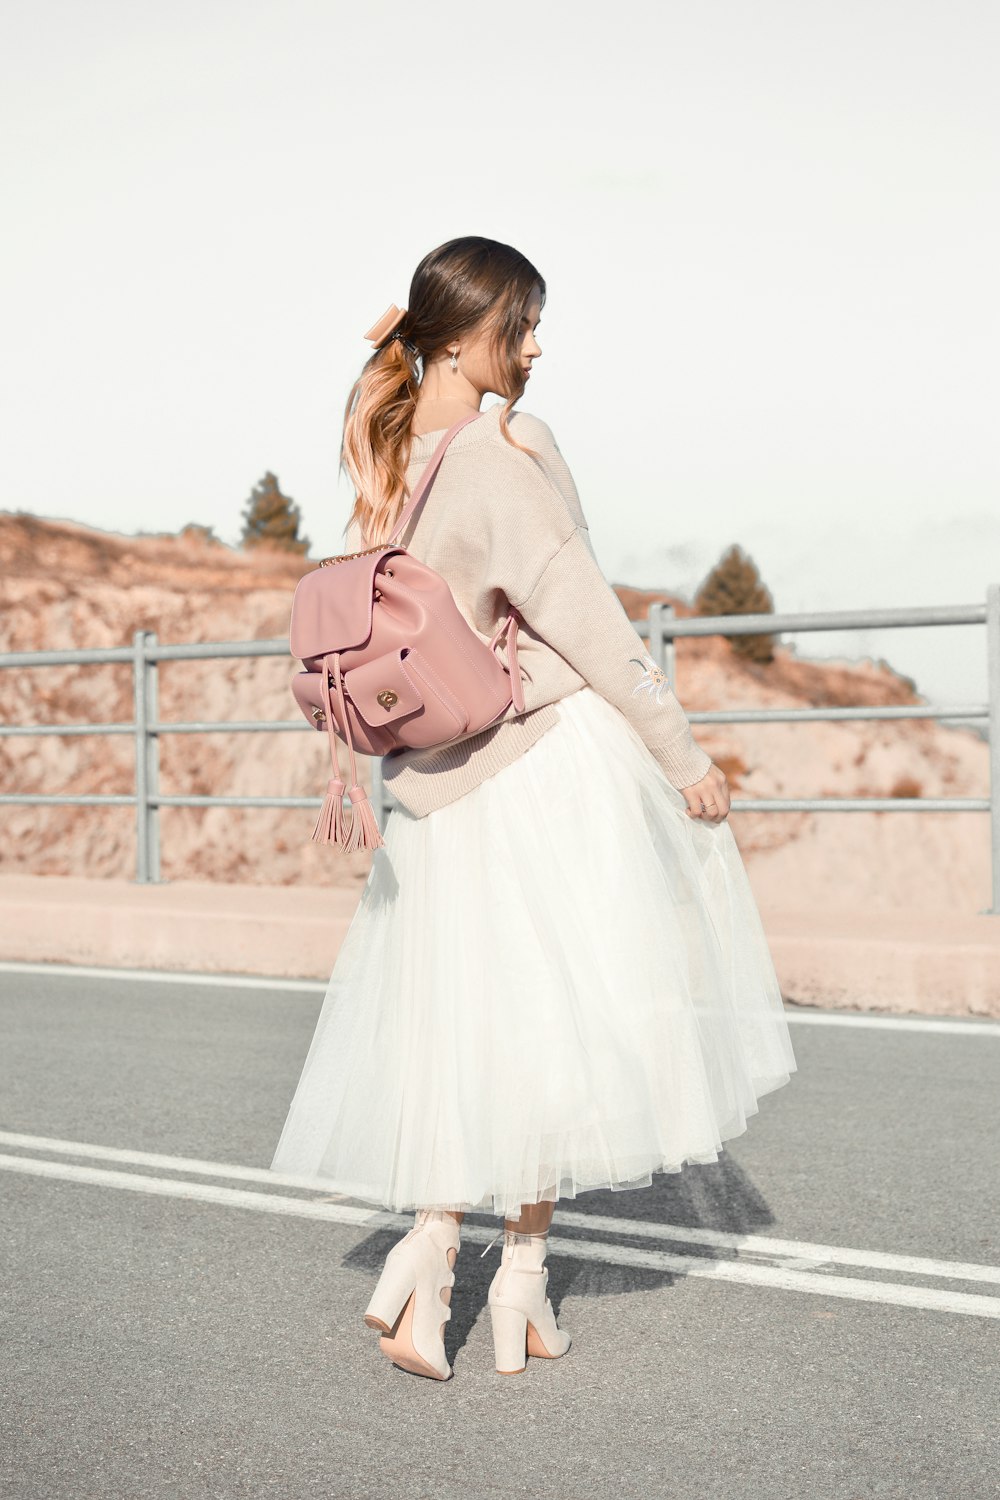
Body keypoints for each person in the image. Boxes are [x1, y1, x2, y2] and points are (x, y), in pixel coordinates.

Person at [269, 234, 797, 1381]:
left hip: (431, 793)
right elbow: (592, 628)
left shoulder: (389, 449)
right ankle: (515, 1282)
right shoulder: (512, 455)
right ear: (465, 336)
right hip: (537, 769)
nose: (538, 345)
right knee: (562, 1030)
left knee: (467, 1032)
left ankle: (431, 1247)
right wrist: (682, 755)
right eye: (523, 324)